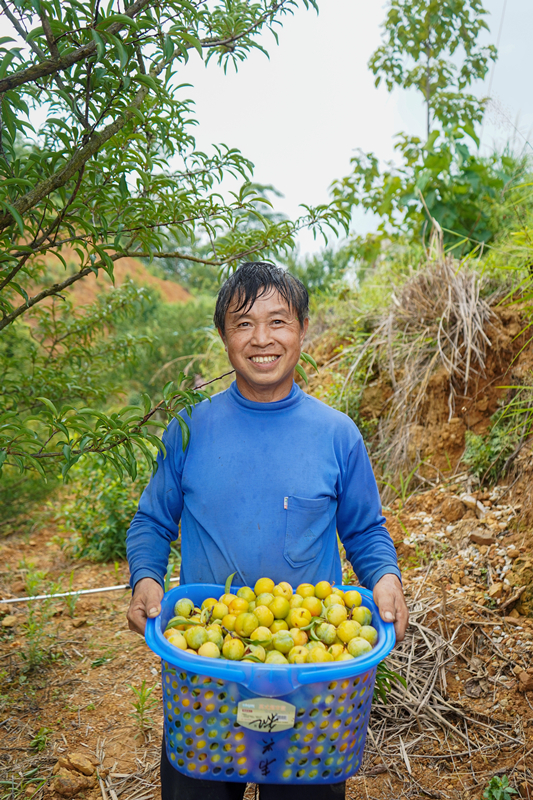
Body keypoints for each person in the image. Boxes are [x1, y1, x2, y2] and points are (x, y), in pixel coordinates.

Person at [126, 261, 409, 800]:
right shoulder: (188, 429)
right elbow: (152, 521)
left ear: (302, 329)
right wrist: (145, 577)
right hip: (206, 669)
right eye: (243, 323)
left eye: (278, 322)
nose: (262, 339)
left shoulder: (336, 434)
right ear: (223, 336)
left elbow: (367, 531)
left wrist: (386, 576)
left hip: (311, 675)